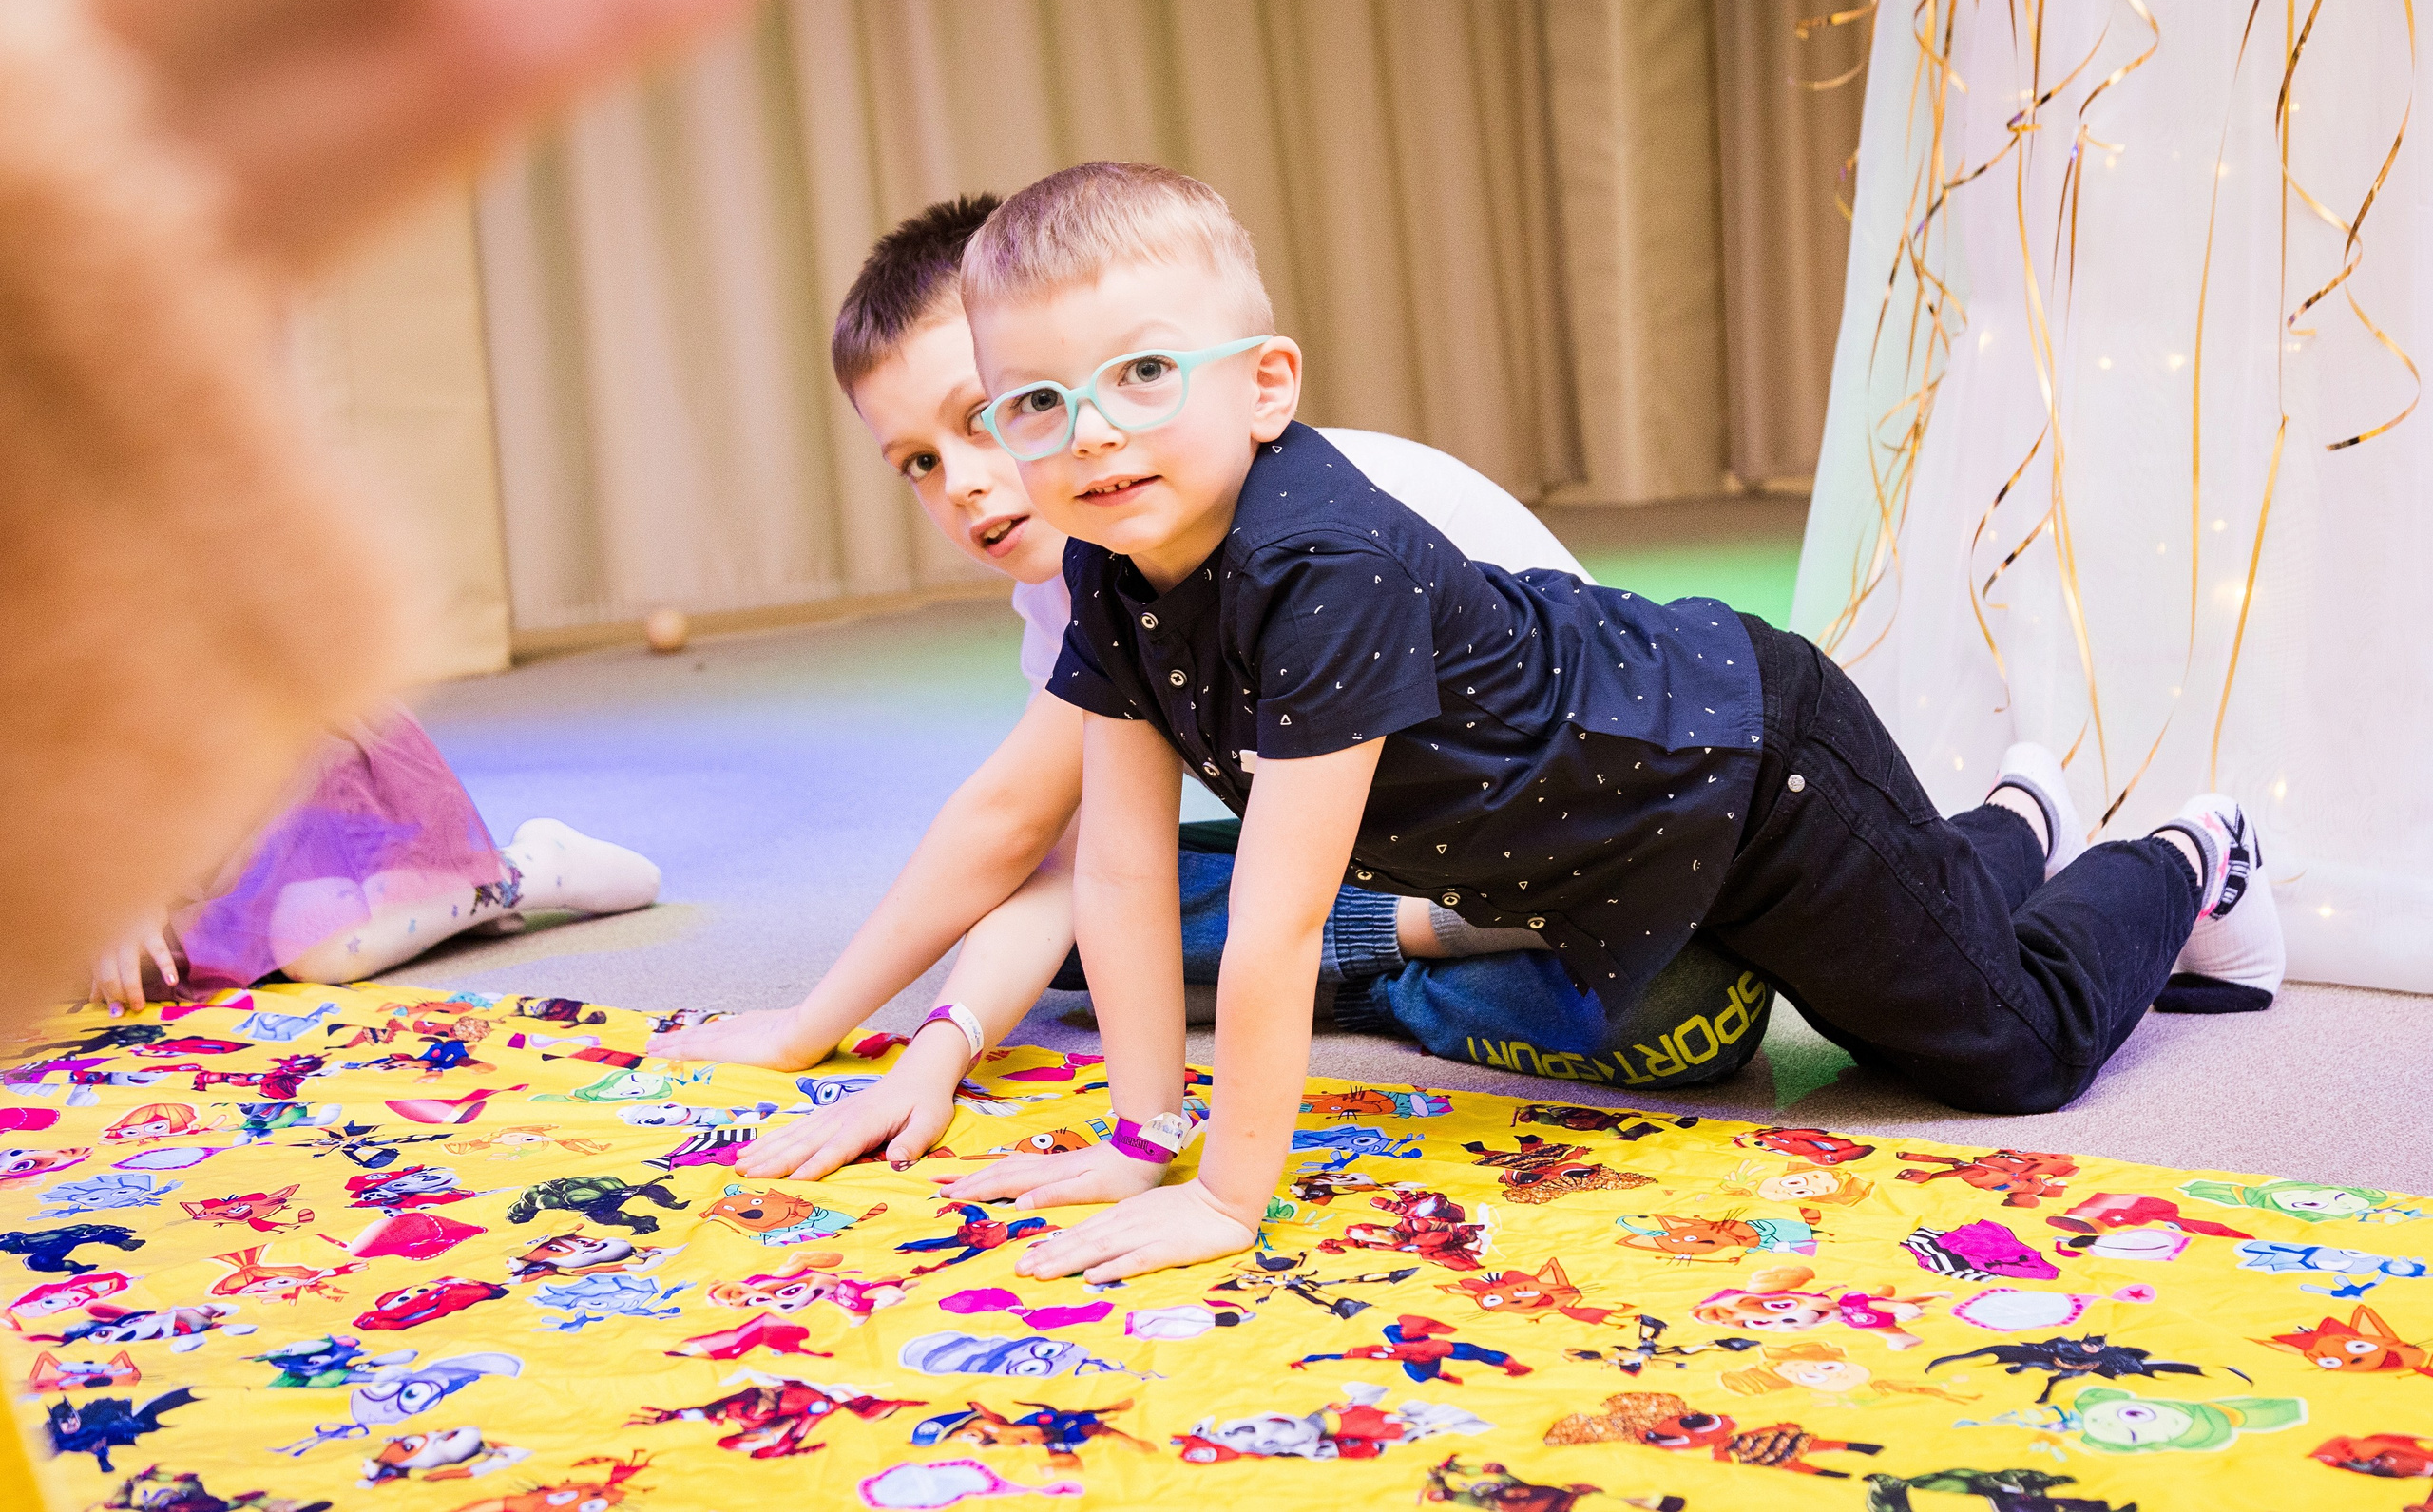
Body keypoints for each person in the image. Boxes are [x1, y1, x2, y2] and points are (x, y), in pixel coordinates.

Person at [934, 161, 2283, 1286]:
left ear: (1267, 384)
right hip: (1626, 842)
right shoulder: (1109, 563)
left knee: (2009, 1048)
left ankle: (2191, 855)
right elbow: (1116, 863)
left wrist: (1226, 1195)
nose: (1095, 434)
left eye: (1146, 373)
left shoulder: (1318, 566)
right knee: (1918, 962)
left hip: (1750, 775)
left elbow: (1283, 921)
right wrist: (1138, 1130)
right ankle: (2009, 826)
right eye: (1041, 401)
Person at [652, 197, 1772, 1182]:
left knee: (1673, 1010)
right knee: (1090, 921)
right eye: (921, 463)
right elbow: (1068, 864)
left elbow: (998, 826)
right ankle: (1366, 950)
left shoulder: (1290, 526)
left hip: (1582, 847)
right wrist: (933, 1051)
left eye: (987, 417)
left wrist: (812, 1024)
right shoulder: (1086, 566)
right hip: (1360, 843)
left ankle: (1360, 955)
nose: (970, 482)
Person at [1, 0, 764, 1026]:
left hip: (265, 760)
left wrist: (129, 861)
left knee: (326, 950)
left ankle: (513, 872)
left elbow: (180, 601)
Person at [90, 706, 661, 1015]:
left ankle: (525, 871)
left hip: (288, 754)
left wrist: (128, 889)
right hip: (169, 819)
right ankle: (436, 892)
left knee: (316, 943)